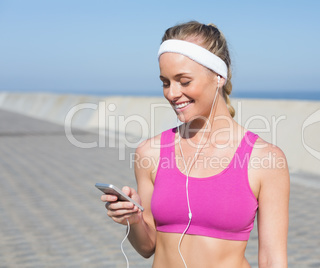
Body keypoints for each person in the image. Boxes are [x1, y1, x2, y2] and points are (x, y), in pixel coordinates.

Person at [102, 21, 290, 268]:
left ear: (219, 77)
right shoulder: (150, 153)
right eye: (166, 82)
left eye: (184, 81)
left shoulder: (265, 159)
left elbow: (272, 259)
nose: (171, 93)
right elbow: (148, 247)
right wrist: (133, 219)